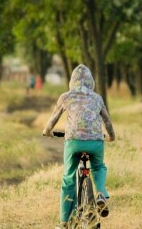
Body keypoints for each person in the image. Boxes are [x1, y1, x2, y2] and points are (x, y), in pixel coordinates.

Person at [42, 64, 115, 228]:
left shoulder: (66, 97)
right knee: (98, 167)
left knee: (68, 177)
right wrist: (111, 136)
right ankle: (101, 194)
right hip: (96, 142)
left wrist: (47, 131)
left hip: (73, 142)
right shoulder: (97, 98)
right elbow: (107, 121)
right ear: (91, 82)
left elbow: (52, 120)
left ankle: (64, 222)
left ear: (72, 81)